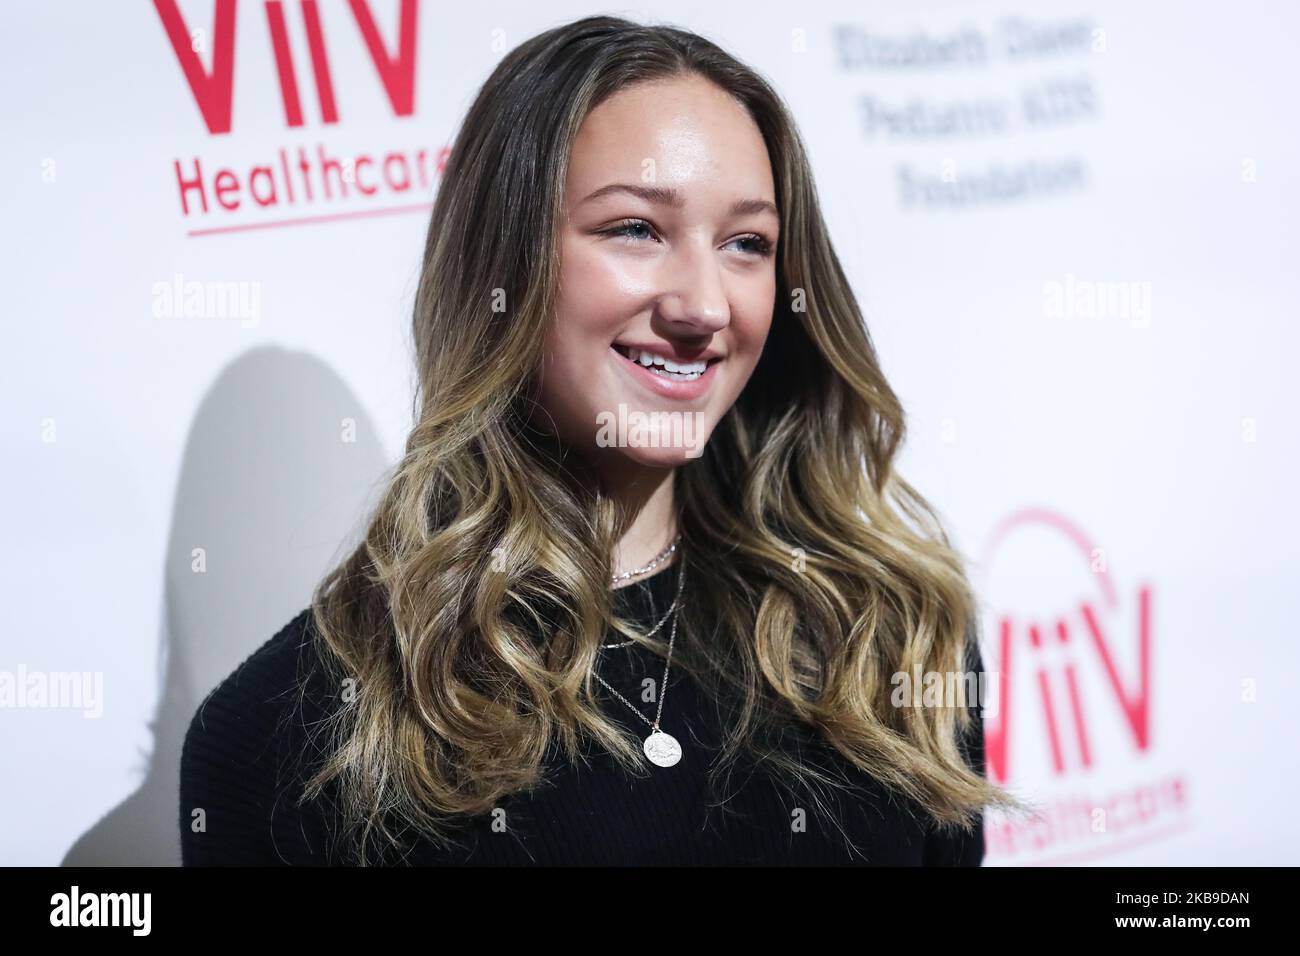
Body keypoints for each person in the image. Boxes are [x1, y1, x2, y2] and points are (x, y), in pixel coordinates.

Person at [180, 14, 1021, 866]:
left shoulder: (889, 629)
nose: (703, 306)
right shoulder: (289, 735)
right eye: (635, 230)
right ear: (502, 262)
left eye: (747, 244)